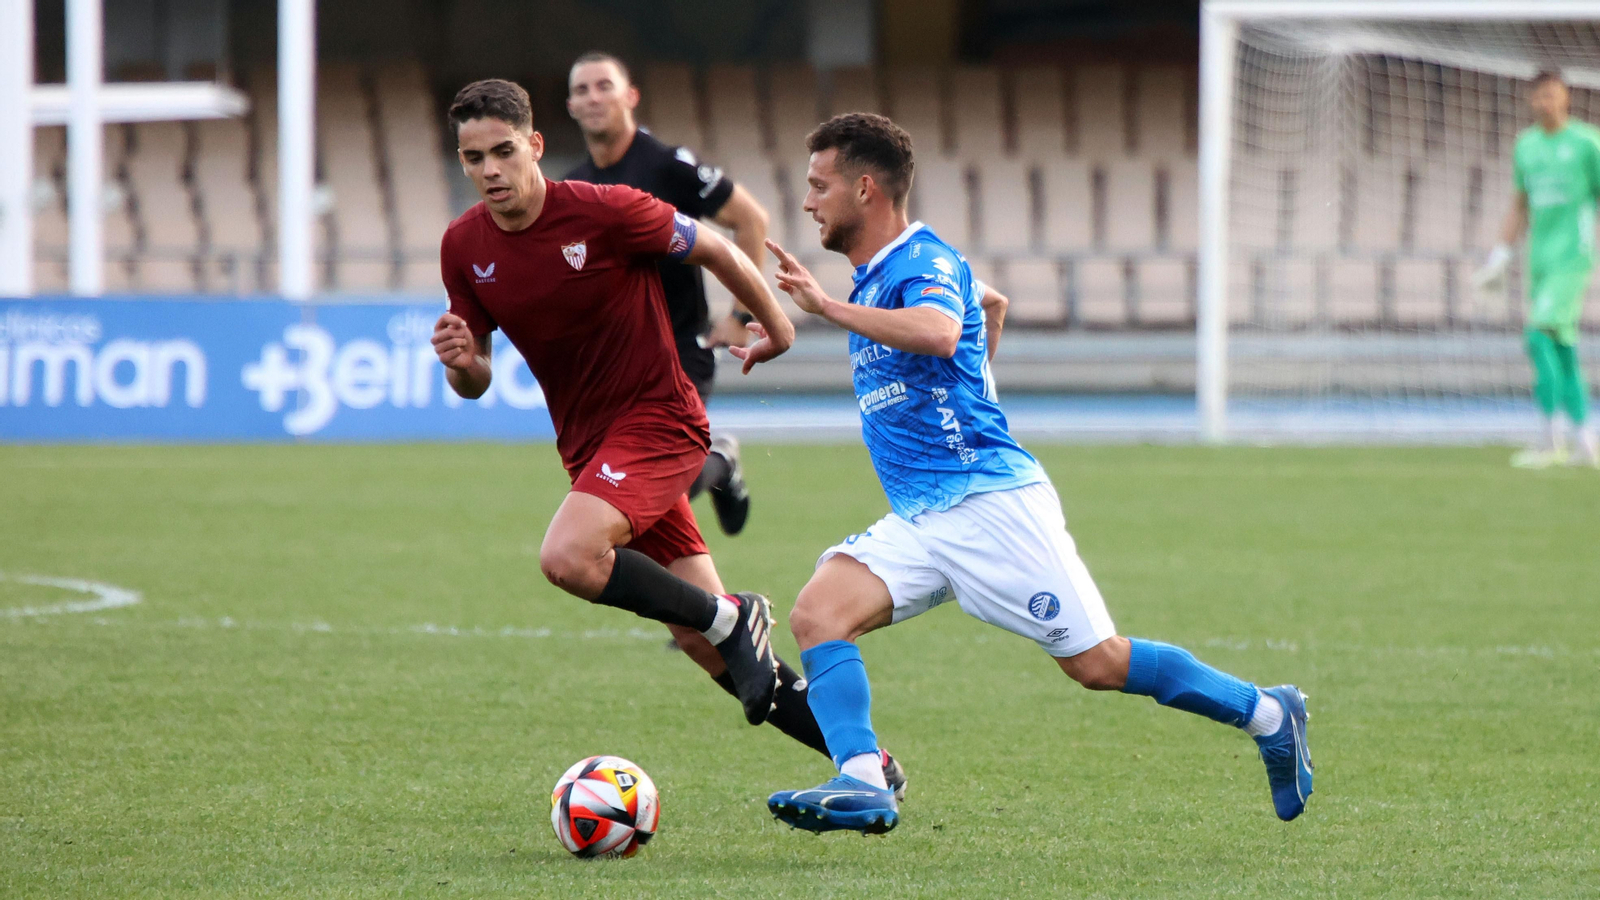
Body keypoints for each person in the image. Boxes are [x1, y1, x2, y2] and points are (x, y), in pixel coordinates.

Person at [749, 114, 1313, 835]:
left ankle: (1270, 713)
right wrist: (974, 389)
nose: (808, 202)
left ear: (865, 189)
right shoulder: (891, 270)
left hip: (988, 505)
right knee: (818, 613)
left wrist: (829, 308)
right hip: (925, 515)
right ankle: (862, 779)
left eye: (819, 185)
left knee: (1099, 664)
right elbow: (990, 305)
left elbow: (944, 329)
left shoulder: (919, 262)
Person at [434, 79, 906, 798]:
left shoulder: (607, 211)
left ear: (533, 145)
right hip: (592, 450)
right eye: (474, 158)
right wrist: (464, 364)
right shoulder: (464, 247)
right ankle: (868, 767)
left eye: (504, 151)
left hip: (661, 421)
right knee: (710, 648)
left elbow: (718, 248)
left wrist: (776, 327)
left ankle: (733, 615)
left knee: (569, 556)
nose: (491, 170)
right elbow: (477, 378)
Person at [565, 51, 765, 531]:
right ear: (570, 106)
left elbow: (751, 220)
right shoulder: (574, 187)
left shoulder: (668, 165)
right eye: (581, 90)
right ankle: (720, 466)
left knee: (656, 487)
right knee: (629, 494)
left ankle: (719, 462)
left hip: (681, 349)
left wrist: (739, 314)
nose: (593, 97)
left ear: (630, 96)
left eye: (603, 86)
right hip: (620, 362)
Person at [1474, 70, 1600, 469]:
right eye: (1539, 96)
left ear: (1566, 97)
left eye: (1552, 94)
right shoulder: (1526, 146)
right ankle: (1584, 442)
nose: (1546, 102)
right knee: (1562, 349)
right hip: (1540, 260)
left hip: (1572, 257)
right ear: (1532, 100)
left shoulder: (1586, 143)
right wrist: (1500, 254)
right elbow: (1519, 204)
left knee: (1537, 337)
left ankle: (1550, 440)